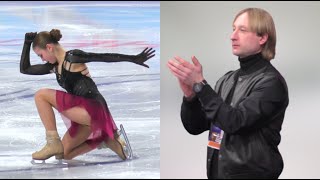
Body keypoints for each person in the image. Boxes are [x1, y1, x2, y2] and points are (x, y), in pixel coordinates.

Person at [167, 8, 289, 179]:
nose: (233, 36)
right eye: (234, 29)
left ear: (262, 37)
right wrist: (191, 97)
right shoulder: (226, 80)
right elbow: (195, 127)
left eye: (242, 30)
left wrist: (201, 86)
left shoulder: (271, 83)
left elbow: (235, 122)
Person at [20, 29, 155, 161]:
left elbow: (102, 57)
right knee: (64, 154)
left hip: (93, 109)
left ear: (49, 47)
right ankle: (105, 139)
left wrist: (134, 58)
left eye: (40, 55)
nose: (42, 60)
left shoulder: (72, 57)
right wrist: (27, 44)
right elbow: (25, 69)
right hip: (82, 115)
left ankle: (52, 142)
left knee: (41, 95)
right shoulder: (55, 66)